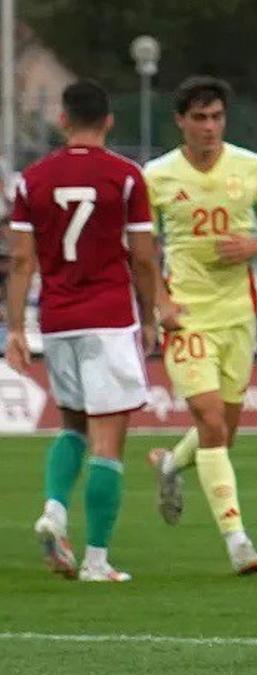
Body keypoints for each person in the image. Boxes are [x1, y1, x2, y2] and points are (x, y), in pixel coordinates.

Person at [4, 80, 161, 582]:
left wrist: (15, 329)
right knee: (109, 440)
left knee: (71, 424)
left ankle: (54, 508)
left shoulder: (30, 180)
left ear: (63, 120)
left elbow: (21, 260)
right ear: (109, 120)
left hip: (58, 320)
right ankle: (96, 560)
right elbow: (141, 257)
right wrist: (152, 315)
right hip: (109, 319)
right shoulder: (127, 177)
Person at [143, 76, 257, 575]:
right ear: (181, 121)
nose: (210, 127)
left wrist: (251, 247)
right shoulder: (157, 176)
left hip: (238, 316)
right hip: (186, 317)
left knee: (222, 434)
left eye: (217, 117)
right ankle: (238, 541)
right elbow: (139, 251)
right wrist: (160, 303)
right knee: (209, 421)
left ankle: (169, 464)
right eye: (200, 118)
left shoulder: (252, 168)